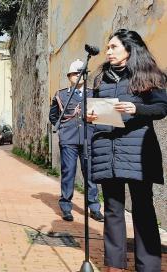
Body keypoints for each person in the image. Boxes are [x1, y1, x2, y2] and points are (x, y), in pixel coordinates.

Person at [86, 29, 167, 272]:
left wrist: (137, 108)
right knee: (112, 208)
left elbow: (162, 108)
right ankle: (115, 265)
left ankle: (149, 266)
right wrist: (91, 115)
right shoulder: (101, 78)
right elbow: (101, 109)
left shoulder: (149, 75)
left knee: (143, 208)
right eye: (108, 47)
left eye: (113, 47)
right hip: (106, 149)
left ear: (129, 50)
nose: (108, 51)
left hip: (137, 150)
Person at [49, 59, 103, 222]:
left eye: (81, 73)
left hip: (89, 137)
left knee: (91, 174)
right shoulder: (61, 94)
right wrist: (64, 129)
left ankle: (94, 207)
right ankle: (66, 206)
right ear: (69, 76)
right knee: (68, 173)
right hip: (69, 139)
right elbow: (53, 116)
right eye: (75, 74)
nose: (78, 76)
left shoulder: (93, 93)